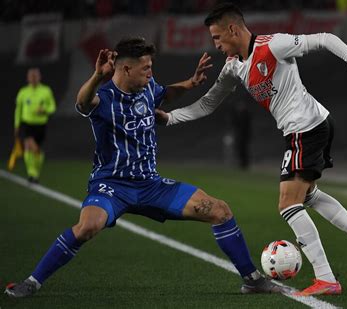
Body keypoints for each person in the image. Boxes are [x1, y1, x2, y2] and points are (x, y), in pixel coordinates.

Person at [5, 37, 282, 298]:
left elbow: (165, 94)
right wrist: (97, 76)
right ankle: (32, 282)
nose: (151, 73)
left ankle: (252, 280)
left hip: (151, 186)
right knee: (88, 226)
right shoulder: (104, 98)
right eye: (146, 68)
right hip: (112, 185)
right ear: (126, 68)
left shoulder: (148, 88)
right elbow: (82, 102)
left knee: (220, 210)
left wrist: (191, 83)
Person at [156, 3, 347, 296]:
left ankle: (327, 278)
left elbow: (326, 38)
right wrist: (171, 117)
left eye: (217, 37)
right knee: (309, 195)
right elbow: (209, 102)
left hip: (306, 128)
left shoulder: (273, 45)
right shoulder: (233, 67)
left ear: (233, 30)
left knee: (288, 204)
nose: (215, 44)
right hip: (310, 126)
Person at [14, 68, 56, 183]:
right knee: (28, 146)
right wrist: (17, 124)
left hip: (40, 125)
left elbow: (52, 107)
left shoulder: (46, 91)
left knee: (37, 151)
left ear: (39, 77)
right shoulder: (23, 92)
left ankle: (35, 173)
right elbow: (18, 109)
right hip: (27, 124)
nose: (33, 78)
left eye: (35, 76)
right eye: (31, 76)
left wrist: (44, 110)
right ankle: (31, 172)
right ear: (27, 78)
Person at [231, 100, 252, 169]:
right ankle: (242, 163)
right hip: (240, 135)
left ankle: (244, 164)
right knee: (240, 149)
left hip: (244, 135)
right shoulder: (238, 114)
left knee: (244, 150)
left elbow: (246, 126)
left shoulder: (246, 114)